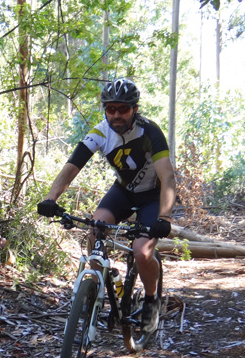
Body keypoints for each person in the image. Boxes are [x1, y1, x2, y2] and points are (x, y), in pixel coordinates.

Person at [37, 78, 177, 334]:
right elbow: (72, 166)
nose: (116, 114)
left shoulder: (150, 132)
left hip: (151, 197)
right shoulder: (100, 132)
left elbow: (167, 176)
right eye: (110, 108)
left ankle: (151, 298)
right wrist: (51, 199)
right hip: (122, 192)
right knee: (95, 231)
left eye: (123, 109)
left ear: (135, 109)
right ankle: (99, 289)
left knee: (142, 252)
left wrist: (165, 217)